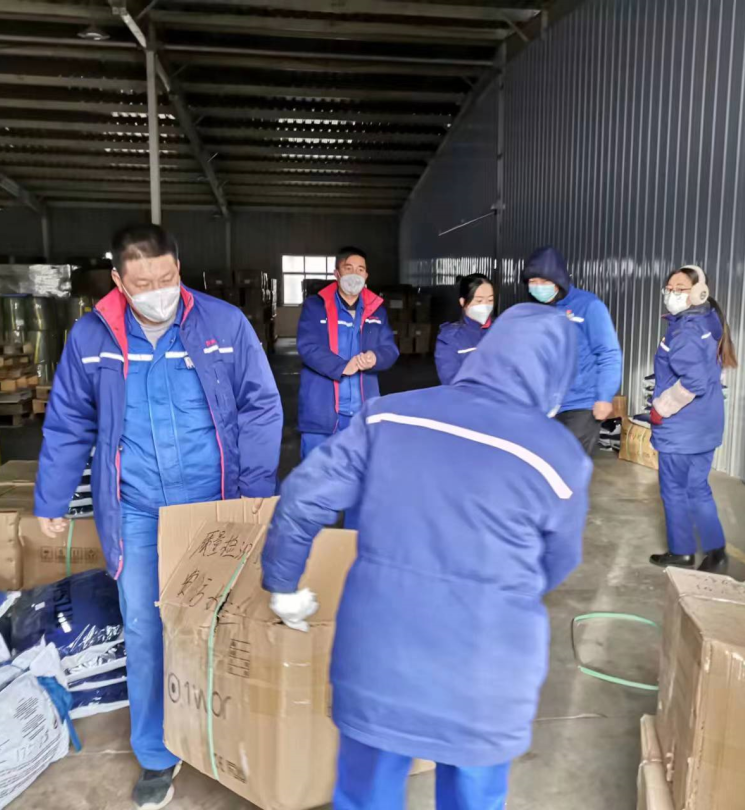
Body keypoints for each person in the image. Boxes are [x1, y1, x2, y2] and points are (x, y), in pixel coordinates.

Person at [262, 304, 592, 810]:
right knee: (473, 797)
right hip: (486, 672)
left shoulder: (389, 415)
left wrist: (283, 584)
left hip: (379, 657)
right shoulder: (559, 457)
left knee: (365, 795)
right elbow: (557, 562)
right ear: (556, 370)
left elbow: (305, 497)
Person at [34, 223, 283, 810]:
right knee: (147, 628)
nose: (158, 291)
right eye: (143, 283)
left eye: (166, 278)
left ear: (179, 269)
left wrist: (252, 497)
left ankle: (227, 735)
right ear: (118, 280)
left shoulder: (223, 324)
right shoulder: (92, 336)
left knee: (221, 622)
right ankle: (155, 753)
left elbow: (261, 405)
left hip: (214, 504)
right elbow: (70, 421)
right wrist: (52, 496)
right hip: (138, 508)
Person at [296, 246, 398, 528]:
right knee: (315, 490)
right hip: (322, 415)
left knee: (360, 489)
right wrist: (342, 366)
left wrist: (376, 357)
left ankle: (350, 545)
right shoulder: (316, 306)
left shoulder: (376, 309)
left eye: (361, 270)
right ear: (337, 273)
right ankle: (313, 546)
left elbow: (390, 348)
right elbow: (308, 346)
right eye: (349, 268)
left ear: (367, 276)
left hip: (361, 417)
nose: (355, 274)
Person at [648, 265, 737, 572]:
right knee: (698, 488)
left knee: (674, 489)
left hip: (682, 430)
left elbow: (694, 382)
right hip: (705, 425)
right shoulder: (709, 322)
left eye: (681, 288)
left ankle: (682, 551)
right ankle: (716, 552)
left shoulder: (684, 332)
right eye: (670, 288)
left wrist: (661, 408)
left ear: (699, 293)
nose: (672, 293)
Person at [523, 246, 622, 455]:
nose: (538, 287)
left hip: (581, 403)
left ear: (559, 280)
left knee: (570, 460)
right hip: (546, 404)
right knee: (546, 461)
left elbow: (608, 353)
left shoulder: (589, 306)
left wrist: (604, 397)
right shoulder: (535, 309)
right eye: (533, 282)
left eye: (544, 281)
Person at [434, 273, 495, 384]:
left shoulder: (502, 330)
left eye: (490, 300)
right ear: (463, 302)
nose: (486, 305)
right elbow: (451, 380)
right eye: (479, 301)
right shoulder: (450, 339)